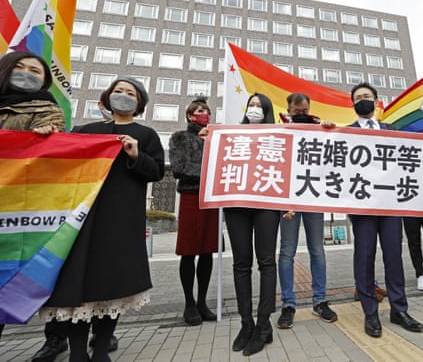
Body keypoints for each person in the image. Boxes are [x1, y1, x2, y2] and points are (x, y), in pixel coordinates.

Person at [39, 77, 164, 362]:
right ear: (107, 98)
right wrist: (48, 135)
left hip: (122, 221)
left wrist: (136, 155)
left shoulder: (145, 135)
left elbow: (156, 171)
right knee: (81, 286)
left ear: (140, 102)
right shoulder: (86, 131)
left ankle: (103, 347)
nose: (123, 96)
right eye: (117, 91)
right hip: (82, 220)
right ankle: (78, 352)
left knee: (113, 287)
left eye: (130, 93)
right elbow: (60, 159)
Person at [0, 50, 66, 355]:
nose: (28, 73)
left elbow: (60, 154)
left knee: (40, 269)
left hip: (30, 205)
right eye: (21, 67)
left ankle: (55, 337)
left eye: (35, 70)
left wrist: (45, 139)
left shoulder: (48, 109)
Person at [347, 82, 423, 337]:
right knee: (364, 257)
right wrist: (327, 133)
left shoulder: (393, 130)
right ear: (353, 104)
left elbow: (415, 154)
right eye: (358, 98)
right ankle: (370, 312)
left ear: (377, 101)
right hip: (363, 206)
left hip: (391, 204)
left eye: (367, 96)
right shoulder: (344, 133)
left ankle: (399, 309)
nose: (363, 100)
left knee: (393, 257)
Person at [224, 93, 280, 356]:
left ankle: (264, 323)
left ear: (267, 111)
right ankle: (246, 323)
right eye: (251, 105)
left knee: (267, 262)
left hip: (267, 202)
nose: (254, 109)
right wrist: (208, 141)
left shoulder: (278, 135)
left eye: (260, 105)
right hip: (237, 204)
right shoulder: (232, 135)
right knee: (241, 262)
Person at [277, 93, 337, 329]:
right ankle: (288, 304)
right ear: (288, 109)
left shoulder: (320, 128)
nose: (301, 114)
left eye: (305, 110)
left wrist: (331, 131)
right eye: (296, 110)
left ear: (309, 108)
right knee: (286, 251)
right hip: (288, 199)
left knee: (317, 250)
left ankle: (320, 301)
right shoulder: (279, 128)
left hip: (313, 196)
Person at [169, 97, 219, 326]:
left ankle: (202, 302)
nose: (204, 114)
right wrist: (203, 152)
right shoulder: (180, 137)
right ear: (190, 115)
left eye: (206, 111)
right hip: (191, 196)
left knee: (208, 252)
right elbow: (179, 168)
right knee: (189, 252)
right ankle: (189, 303)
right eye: (199, 110)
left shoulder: (216, 138)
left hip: (211, 198)